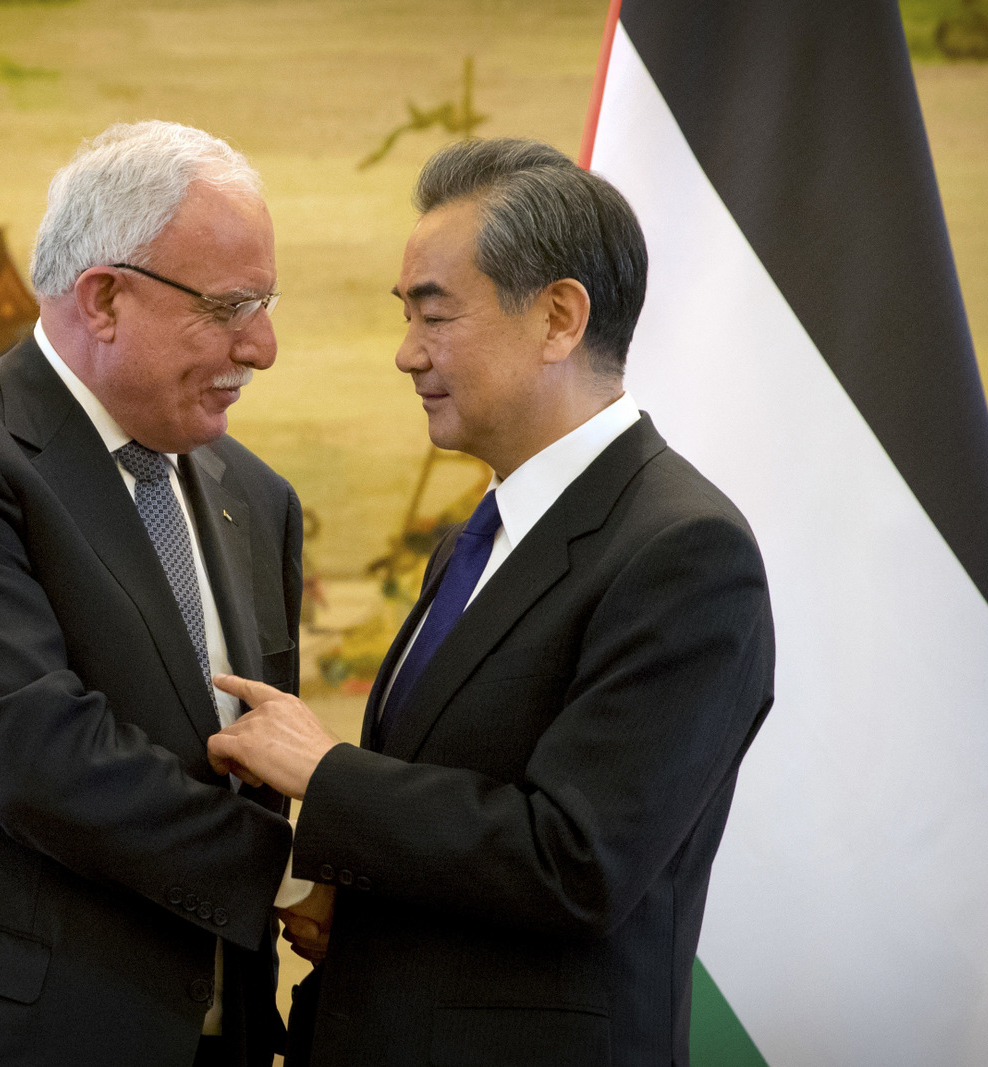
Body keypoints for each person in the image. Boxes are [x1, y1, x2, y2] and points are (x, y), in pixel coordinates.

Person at [207, 139, 776, 1067]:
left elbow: (576, 861)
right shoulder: (480, 535)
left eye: (435, 316)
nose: (406, 354)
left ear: (558, 317)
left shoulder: (683, 549)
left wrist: (328, 773)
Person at [0, 121, 324, 1067]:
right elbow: (26, 750)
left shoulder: (259, 499)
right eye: (231, 305)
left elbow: (249, 757)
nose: (264, 344)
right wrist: (288, 877)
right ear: (105, 298)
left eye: (267, 301)